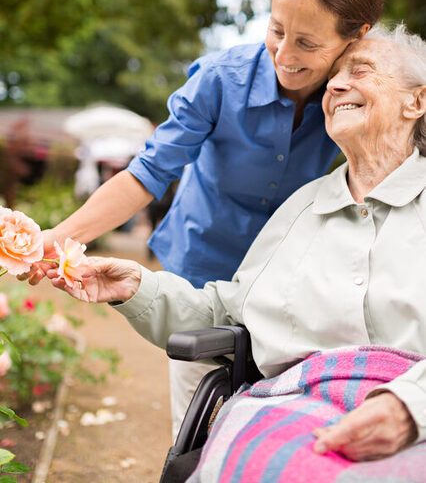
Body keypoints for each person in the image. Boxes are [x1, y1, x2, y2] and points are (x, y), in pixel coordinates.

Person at [27, 0, 384, 438]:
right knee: (199, 426)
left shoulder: (362, 96)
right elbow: (146, 174)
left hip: (293, 282)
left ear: (356, 38)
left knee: (278, 427)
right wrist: (57, 238)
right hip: (200, 265)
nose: (284, 54)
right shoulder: (221, 79)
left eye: (307, 43)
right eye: (276, 31)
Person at [47, 24, 426, 480]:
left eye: (360, 71)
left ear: (416, 102)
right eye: (334, 78)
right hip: (292, 407)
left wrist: (411, 407)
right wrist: (138, 287)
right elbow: (231, 313)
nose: (338, 85)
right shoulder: (301, 208)